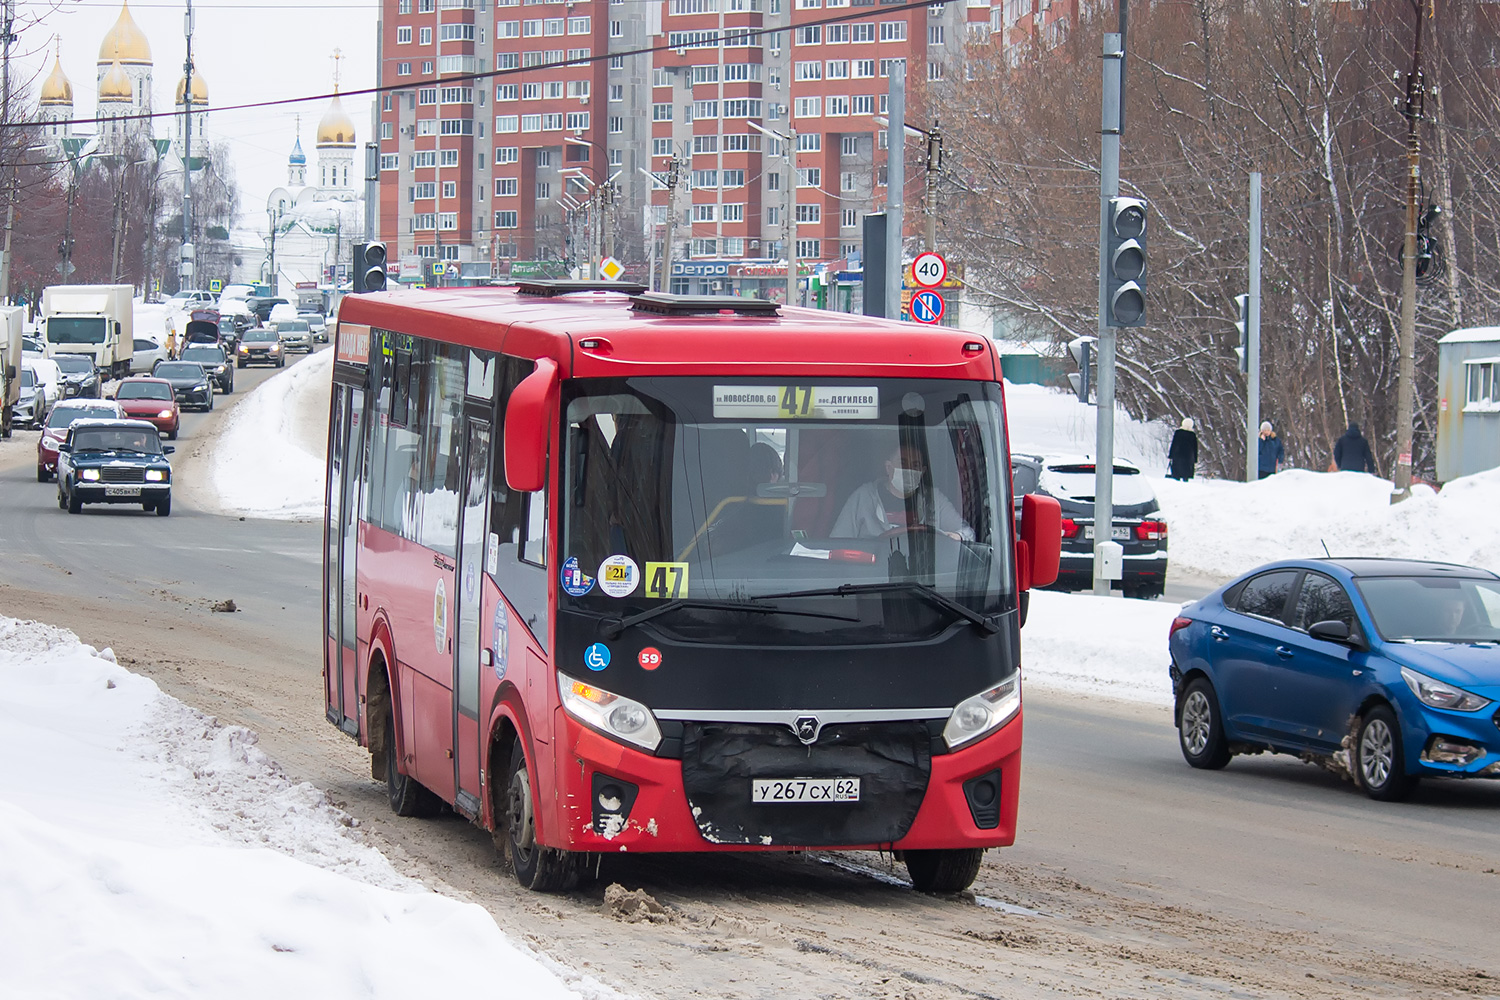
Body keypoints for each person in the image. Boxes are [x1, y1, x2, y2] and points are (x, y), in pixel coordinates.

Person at [831, 444, 974, 541]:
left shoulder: (934, 499)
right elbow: (838, 542)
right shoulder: (863, 497)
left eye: (915, 465)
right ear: (888, 467)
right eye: (903, 463)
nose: (909, 469)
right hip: (870, 578)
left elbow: (967, 533)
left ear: (922, 471)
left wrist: (957, 536)